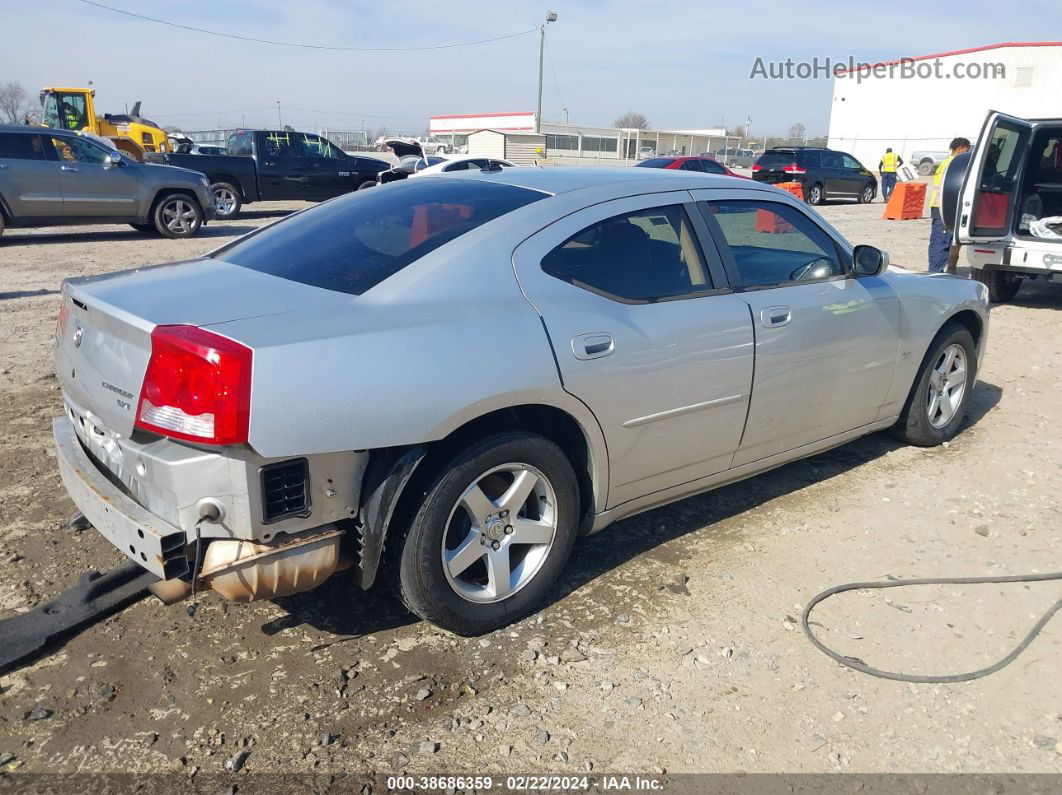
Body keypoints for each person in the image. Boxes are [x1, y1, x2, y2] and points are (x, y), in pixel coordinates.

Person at [928, 137, 971, 274]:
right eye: (963, 151)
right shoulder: (954, 164)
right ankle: (936, 272)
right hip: (945, 207)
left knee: (937, 240)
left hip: (938, 206)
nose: (964, 154)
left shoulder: (946, 162)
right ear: (957, 150)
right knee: (942, 242)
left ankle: (936, 270)